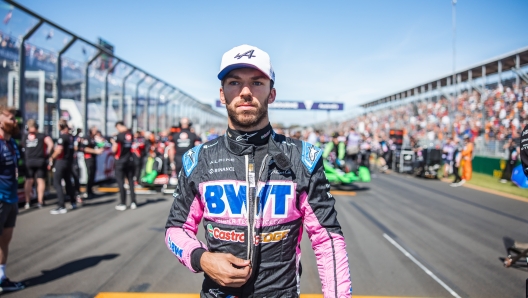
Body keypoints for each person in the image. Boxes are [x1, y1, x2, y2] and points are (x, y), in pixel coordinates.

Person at [165, 45, 352, 298]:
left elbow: (327, 238)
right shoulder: (198, 159)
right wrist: (202, 258)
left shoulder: (303, 158)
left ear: (271, 94)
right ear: (222, 94)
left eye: (256, 82)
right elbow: (176, 229)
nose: (245, 92)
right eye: (234, 82)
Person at [0, 106, 25, 292]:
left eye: (15, 118)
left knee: (5, 239)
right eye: (10, 118)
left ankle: (1, 278)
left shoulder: (12, 143)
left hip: (11, 198)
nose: (14, 121)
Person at [21, 119, 53, 209]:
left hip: (29, 161)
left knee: (28, 180)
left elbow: (22, 146)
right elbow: (50, 144)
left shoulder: (25, 136)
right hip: (40, 160)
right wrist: (48, 154)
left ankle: (27, 202)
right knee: (40, 180)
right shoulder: (42, 135)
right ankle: (40, 201)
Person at [49, 119, 76, 214]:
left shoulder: (63, 137)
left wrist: (51, 157)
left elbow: (59, 150)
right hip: (68, 162)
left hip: (61, 162)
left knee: (57, 183)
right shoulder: (71, 137)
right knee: (68, 182)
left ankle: (61, 205)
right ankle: (73, 202)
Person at [110, 121, 137, 211]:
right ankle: (133, 202)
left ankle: (123, 203)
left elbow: (115, 149)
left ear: (119, 126)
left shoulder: (119, 136)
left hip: (120, 161)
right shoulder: (130, 134)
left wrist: (113, 142)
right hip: (129, 160)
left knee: (121, 182)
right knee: (130, 182)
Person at [77, 126, 103, 199]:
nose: (96, 132)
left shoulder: (93, 138)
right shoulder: (87, 138)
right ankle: (88, 191)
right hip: (88, 158)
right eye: (95, 130)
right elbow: (84, 148)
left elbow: (99, 145)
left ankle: (90, 191)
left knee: (92, 175)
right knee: (90, 174)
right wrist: (95, 151)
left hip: (93, 158)